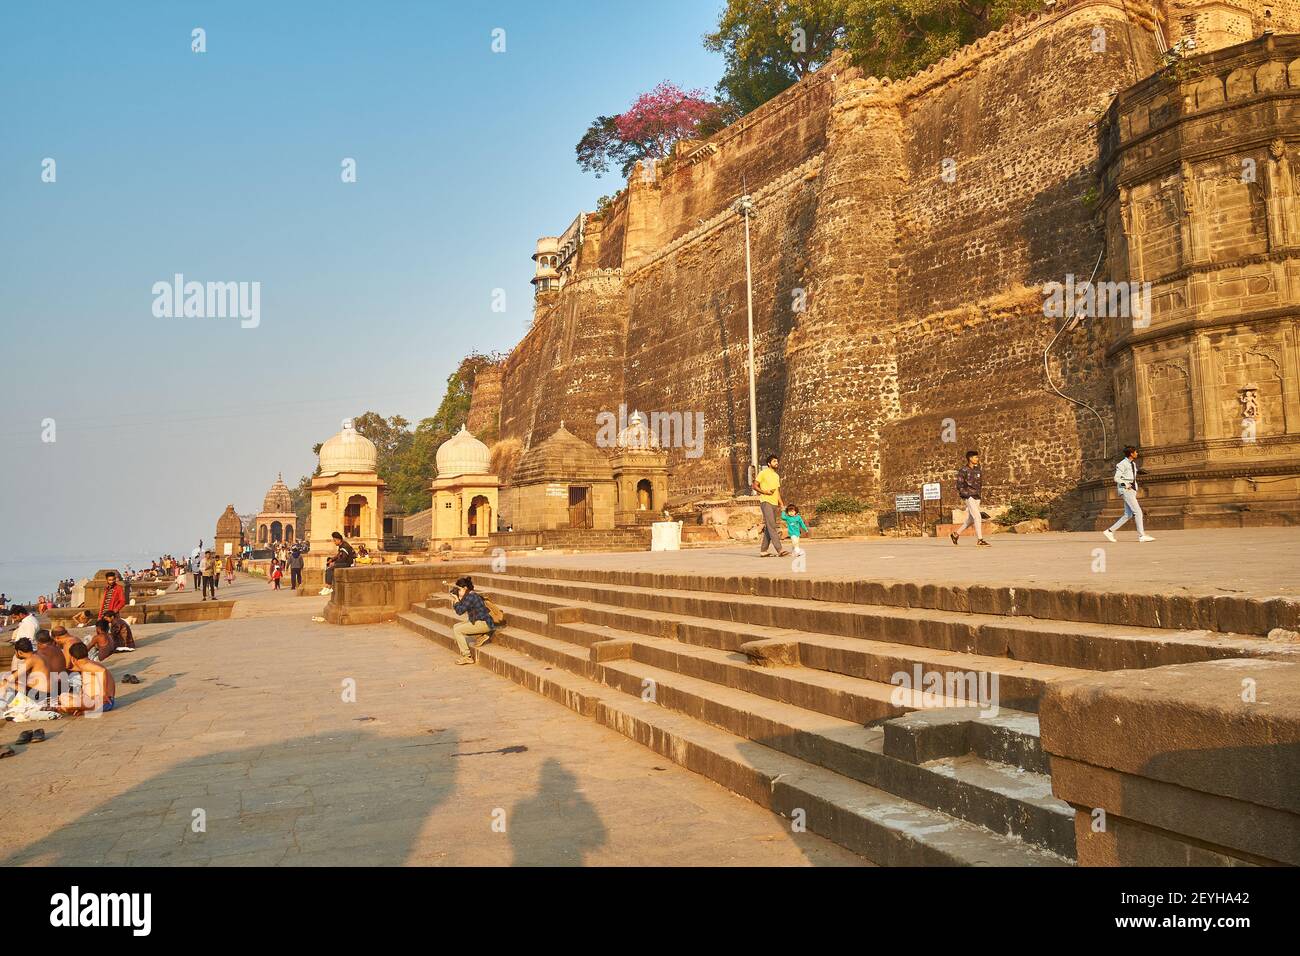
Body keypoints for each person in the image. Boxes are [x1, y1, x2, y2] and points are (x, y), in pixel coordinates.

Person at [1103, 445, 1155, 543]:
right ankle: (1142, 535)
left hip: (1131, 490)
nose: (1137, 453)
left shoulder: (1133, 464)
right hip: (1126, 490)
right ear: (1131, 454)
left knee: (1128, 515)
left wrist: (1141, 472)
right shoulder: (1122, 464)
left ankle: (1109, 531)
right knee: (1138, 512)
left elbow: (1132, 472)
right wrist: (1125, 484)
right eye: (1136, 452)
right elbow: (1116, 478)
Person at [55, 642, 115, 715]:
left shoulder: (87, 665)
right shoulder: (87, 665)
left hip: (103, 702)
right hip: (91, 700)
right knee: (63, 696)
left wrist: (103, 694)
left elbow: (102, 671)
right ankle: (78, 709)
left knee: (68, 704)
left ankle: (75, 709)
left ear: (73, 659)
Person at [450, 576, 494, 665]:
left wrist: (456, 600)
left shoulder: (471, 596)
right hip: (483, 622)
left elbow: (460, 611)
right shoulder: (470, 595)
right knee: (456, 626)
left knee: (457, 630)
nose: (458, 591)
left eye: (459, 589)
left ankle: (467, 656)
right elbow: (461, 607)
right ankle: (481, 635)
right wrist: (457, 600)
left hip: (484, 624)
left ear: (465, 588)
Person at [950, 450, 991, 547]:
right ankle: (980, 540)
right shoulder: (963, 470)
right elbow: (959, 485)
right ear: (970, 458)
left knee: (971, 519)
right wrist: (966, 495)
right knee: (977, 517)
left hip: (977, 496)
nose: (977, 459)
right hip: (969, 496)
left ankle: (955, 534)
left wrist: (979, 494)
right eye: (975, 457)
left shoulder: (978, 470)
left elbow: (980, 483)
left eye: (977, 457)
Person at [752, 453, 789, 558]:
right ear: (769, 463)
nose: (776, 463)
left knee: (769, 527)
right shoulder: (763, 473)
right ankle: (780, 549)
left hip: (774, 504)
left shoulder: (776, 476)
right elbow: (754, 485)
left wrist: (781, 505)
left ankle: (763, 551)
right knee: (772, 526)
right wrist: (764, 492)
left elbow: (777, 491)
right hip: (766, 502)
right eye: (774, 461)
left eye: (777, 461)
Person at [2, 638, 52, 707]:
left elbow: (11, 678)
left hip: (40, 695)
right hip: (49, 693)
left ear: (19, 652)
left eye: (15, 652)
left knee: (5, 682)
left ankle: (2, 702)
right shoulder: (41, 655)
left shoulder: (31, 659)